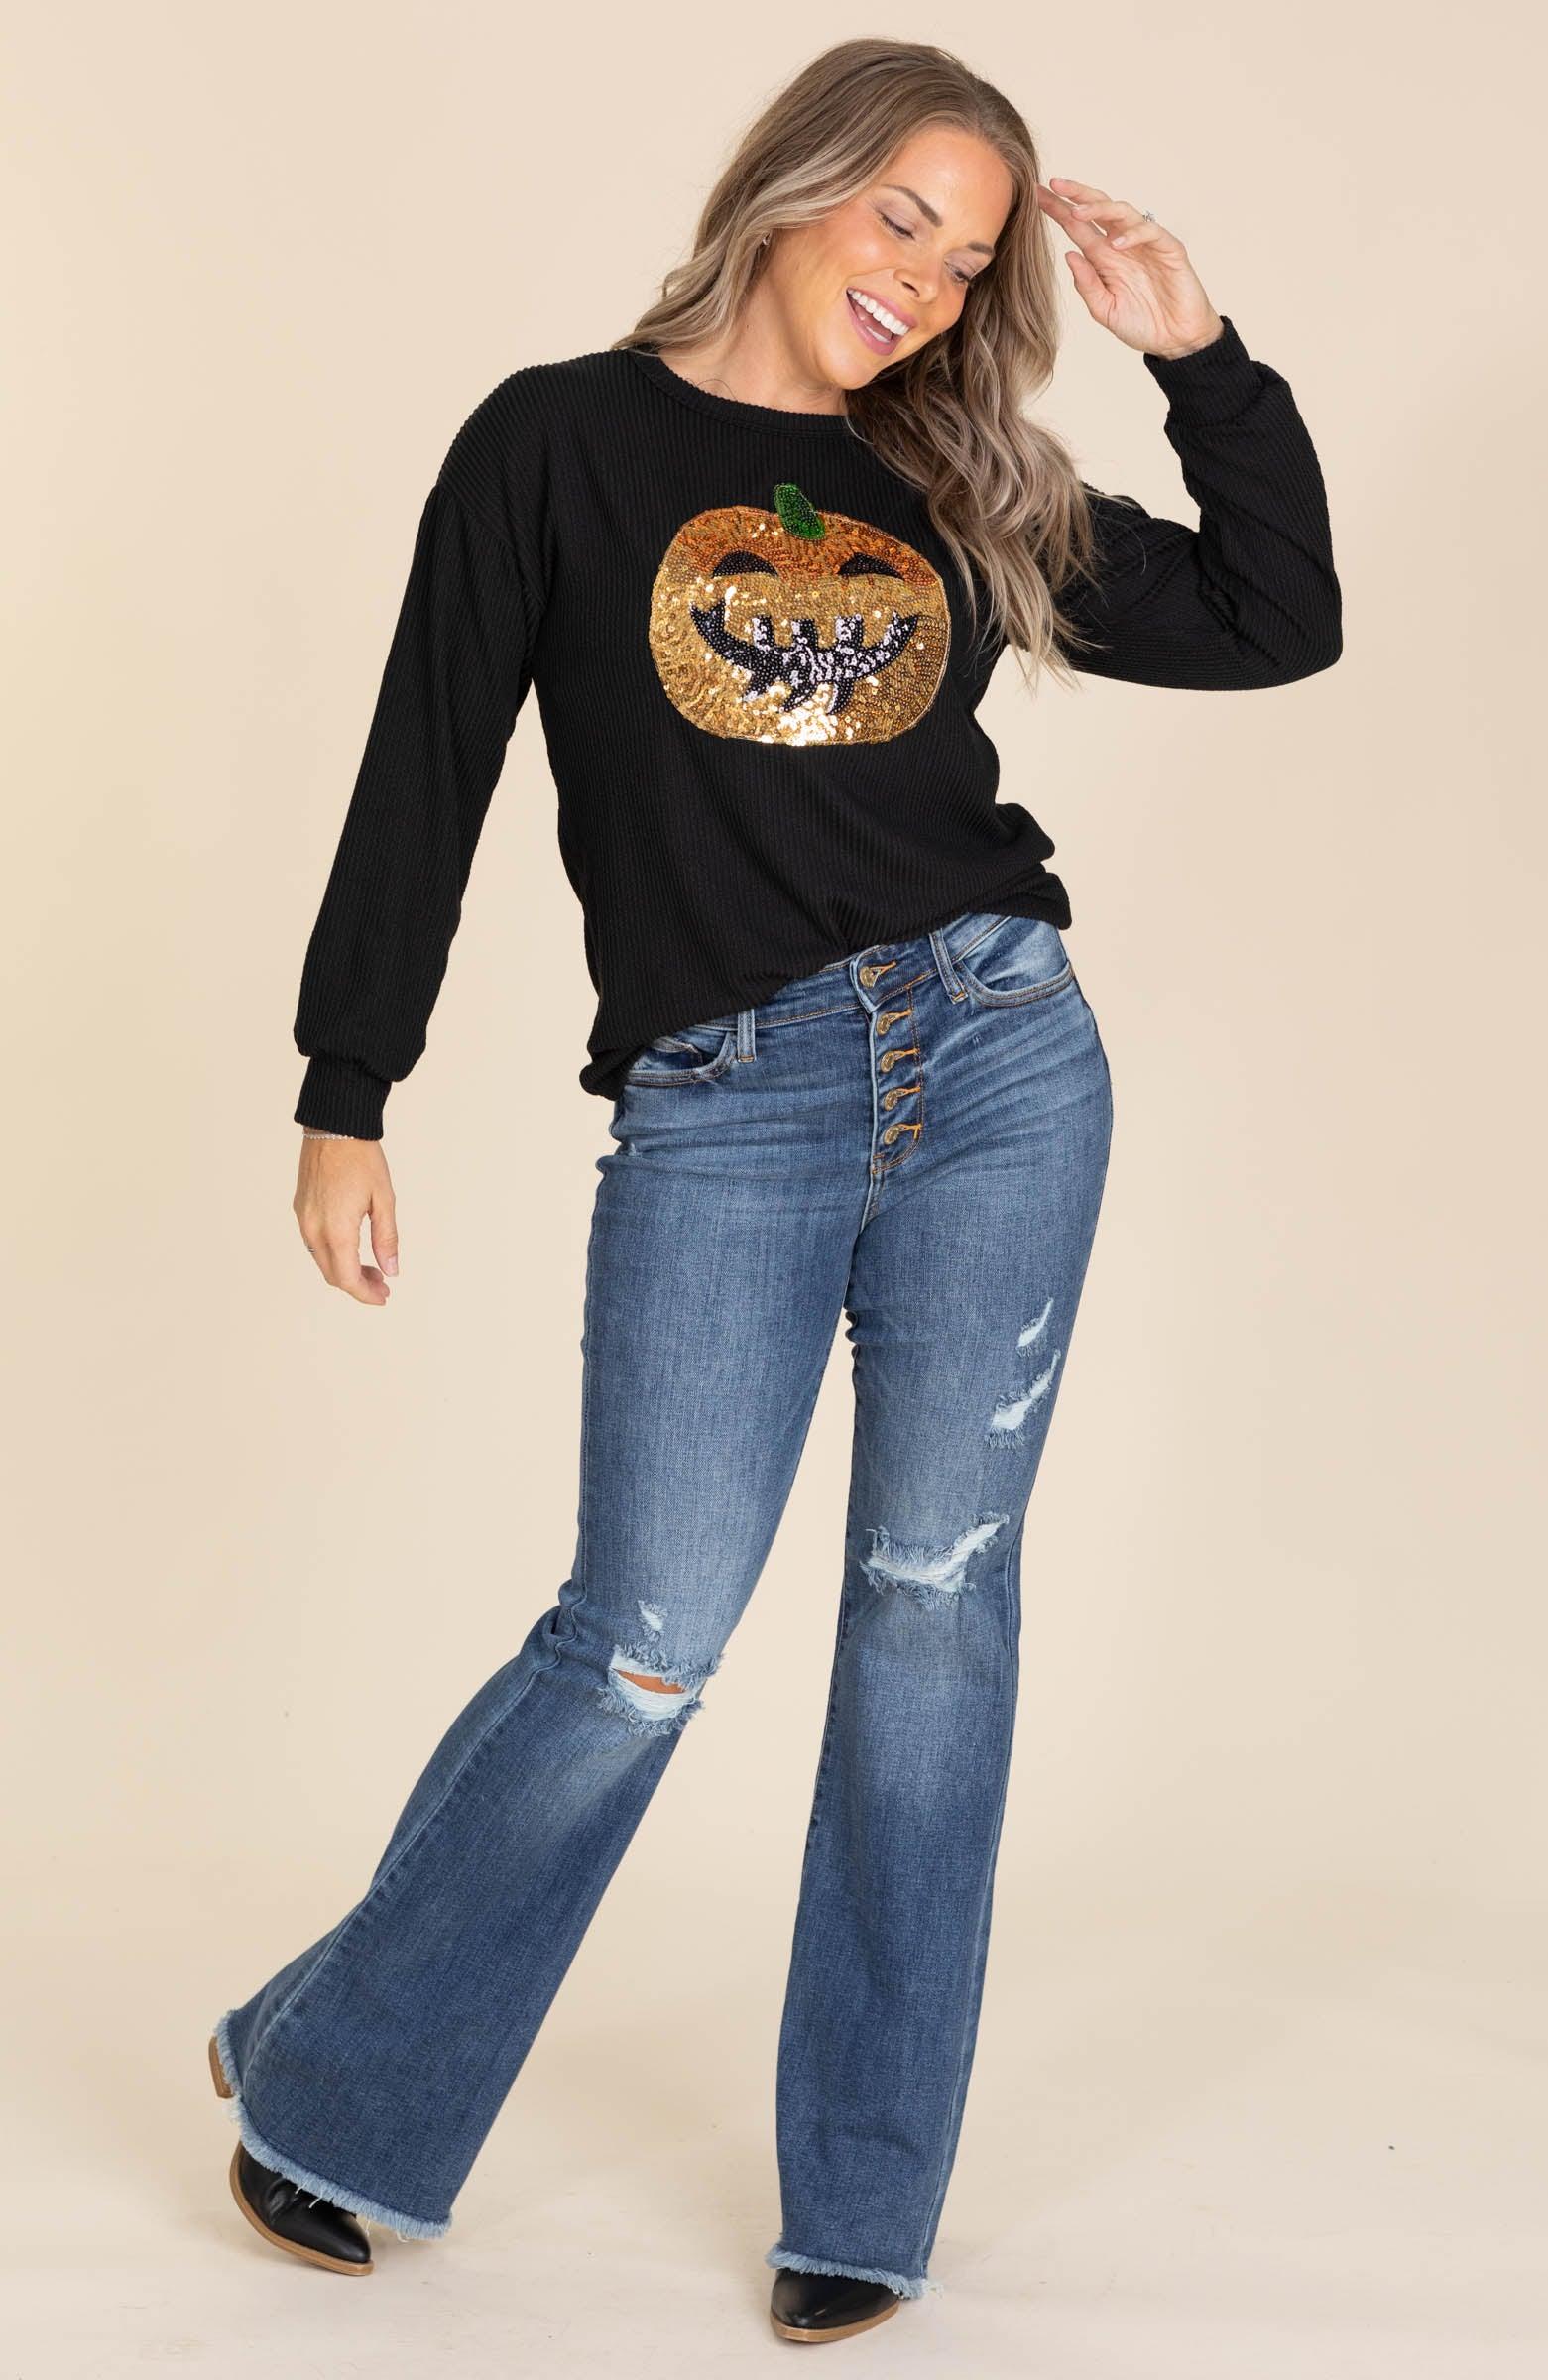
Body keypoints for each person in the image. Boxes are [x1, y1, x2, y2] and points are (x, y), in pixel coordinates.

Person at [208, 35, 1342, 2345]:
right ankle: (335, 2070)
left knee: (934, 1621)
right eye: (899, 216)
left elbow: (1272, 618)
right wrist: (348, 1089)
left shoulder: (953, 474)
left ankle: (862, 2194)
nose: (925, 277)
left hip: (999, 1056)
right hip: (728, 1096)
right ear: (791, 186)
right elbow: (427, 760)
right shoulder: (556, 443)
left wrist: (1196, 354)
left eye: (970, 254)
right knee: (638, 1639)